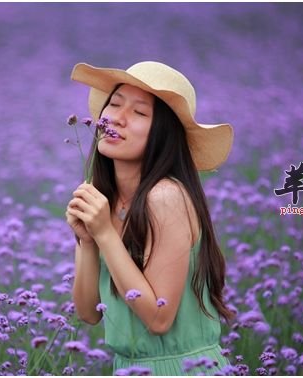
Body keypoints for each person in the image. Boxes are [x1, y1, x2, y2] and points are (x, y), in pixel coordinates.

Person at [65, 61, 235, 375]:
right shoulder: (104, 200)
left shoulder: (166, 197)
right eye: (114, 104)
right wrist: (88, 241)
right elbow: (88, 313)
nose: (117, 118)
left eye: (139, 113)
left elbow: (159, 319)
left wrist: (104, 233)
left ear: (163, 134)